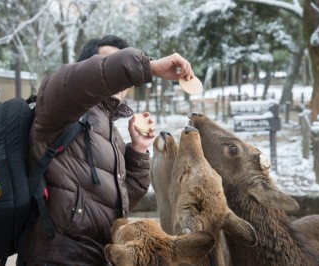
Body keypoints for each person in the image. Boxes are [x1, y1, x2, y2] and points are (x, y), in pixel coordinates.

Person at [23, 35, 195, 265]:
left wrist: (137, 151)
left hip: (98, 257)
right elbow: (75, 81)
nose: (116, 74)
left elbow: (114, 205)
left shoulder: (108, 130)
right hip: (58, 256)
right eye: (108, 61)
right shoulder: (59, 106)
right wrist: (147, 66)